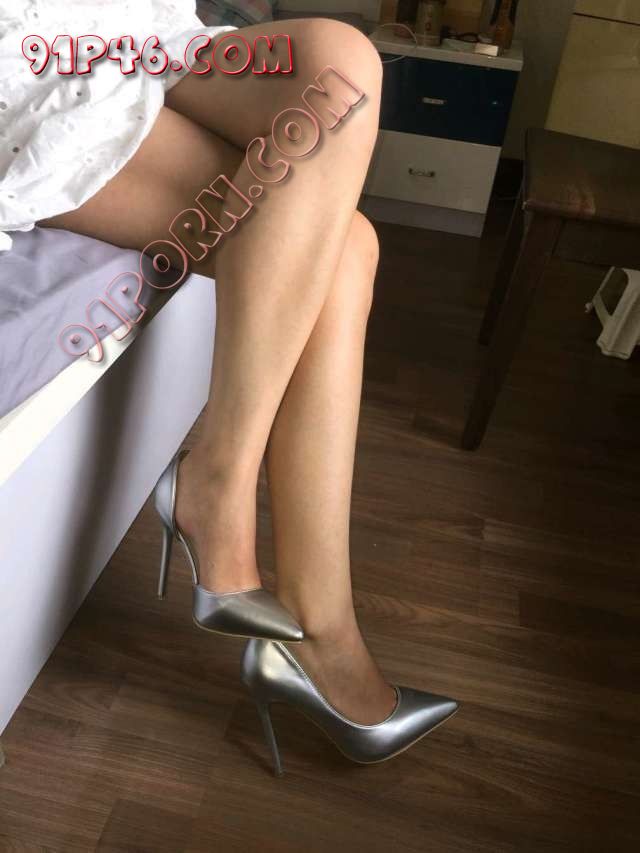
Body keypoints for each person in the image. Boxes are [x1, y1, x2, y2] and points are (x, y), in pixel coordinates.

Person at [0, 1, 457, 772]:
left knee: (341, 68)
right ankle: (314, 614)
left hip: (132, 30)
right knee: (346, 243)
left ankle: (243, 517)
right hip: (28, 51)